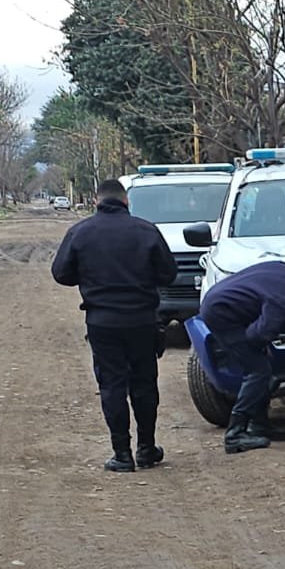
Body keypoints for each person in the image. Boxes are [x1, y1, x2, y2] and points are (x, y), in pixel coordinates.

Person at [52, 178, 178, 472]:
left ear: (96, 201)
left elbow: (60, 273)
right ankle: (146, 448)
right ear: (126, 202)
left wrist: (88, 276)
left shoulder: (80, 232)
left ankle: (122, 454)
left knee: (112, 385)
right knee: (145, 384)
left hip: (102, 321)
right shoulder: (146, 230)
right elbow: (168, 274)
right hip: (143, 320)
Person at [199, 260, 285, 453]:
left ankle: (259, 424)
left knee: (264, 366)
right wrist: (255, 346)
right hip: (221, 313)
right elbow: (259, 334)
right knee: (258, 371)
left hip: (219, 300)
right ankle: (235, 434)